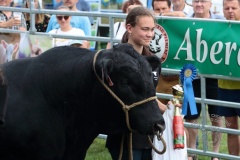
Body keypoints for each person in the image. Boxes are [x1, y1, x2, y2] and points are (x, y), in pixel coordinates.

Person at [106, 6, 167, 160]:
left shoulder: (152, 61)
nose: (150, 34)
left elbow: (148, 96)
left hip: (148, 134)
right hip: (124, 135)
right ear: (129, 28)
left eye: (152, 29)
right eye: (145, 29)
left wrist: (169, 109)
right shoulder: (115, 60)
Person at [185, 1, 225, 160]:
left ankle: (215, 154)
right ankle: (192, 152)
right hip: (191, 76)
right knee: (191, 117)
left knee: (216, 118)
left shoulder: (222, 22)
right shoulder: (183, 21)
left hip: (215, 78)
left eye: (203, 1)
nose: (199, 4)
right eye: (196, 1)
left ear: (210, 3)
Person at [217, 0, 240, 156]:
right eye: (227, 8)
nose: (230, 11)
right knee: (230, 129)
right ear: (223, 10)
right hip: (224, 86)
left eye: (234, 7)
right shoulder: (217, 28)